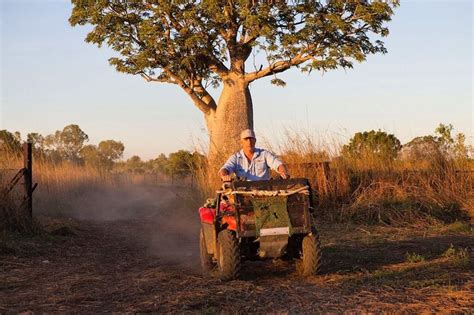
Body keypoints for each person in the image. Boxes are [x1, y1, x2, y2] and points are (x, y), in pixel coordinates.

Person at [218, 129, 289, 181]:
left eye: (251, 139)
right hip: (242, 194)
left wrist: (283, 171)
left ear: (255, 141)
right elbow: (225, 169)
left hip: (264, 192)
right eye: (246, 139)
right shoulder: (235, 158)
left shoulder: (264, 154)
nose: (249, 142)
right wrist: (224, 175)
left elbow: (278, 164)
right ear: (241, 142)